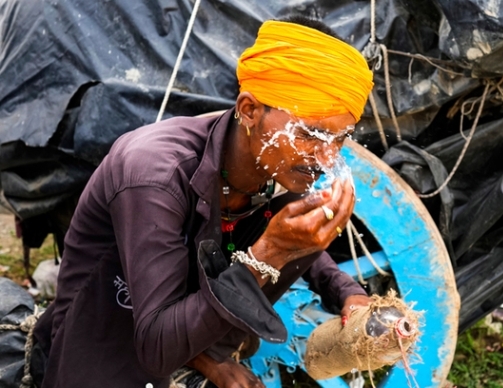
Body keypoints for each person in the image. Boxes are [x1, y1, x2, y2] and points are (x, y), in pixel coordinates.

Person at [32, 15, 375, 388]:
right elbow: (157, 350)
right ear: (249, 110)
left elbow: (296, 233)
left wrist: (348, 292)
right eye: (311, 133)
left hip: (194, 335)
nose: (327, 157)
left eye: (340, 138)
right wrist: (270, 252)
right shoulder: (154, 174)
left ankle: (206, 355)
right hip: (108, 349)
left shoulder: (276, 164)